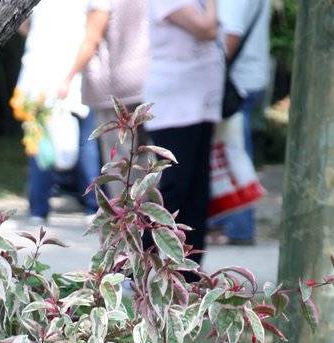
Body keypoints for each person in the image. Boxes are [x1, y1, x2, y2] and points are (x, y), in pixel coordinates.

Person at [142, 0, 224, 262]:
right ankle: (144, 264)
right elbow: (206, 29)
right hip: (174, 107)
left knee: (198, 190)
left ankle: (190, 271)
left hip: (201, 103)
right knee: (174, 188)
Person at [15, 0, 101, 226]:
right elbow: (92, 38)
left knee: (40, 143)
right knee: (86, 142)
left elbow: (22, 25)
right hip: (72, 75)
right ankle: (93, 206)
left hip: (38, 75)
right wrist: (69, 76)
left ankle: (39, 208)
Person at [214, 0, 271, 244]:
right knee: (233, 151)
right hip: (249, 75)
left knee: (234, 152)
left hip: (237, 80)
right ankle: (231, 224)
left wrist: (209, 69)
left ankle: (239, 227)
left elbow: (231, 34)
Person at [60, 0, 150, 117]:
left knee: (119, 133)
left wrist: (68, 79)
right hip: (147, 77)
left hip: (114, 87)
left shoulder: (100, 3)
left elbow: (92, 39)